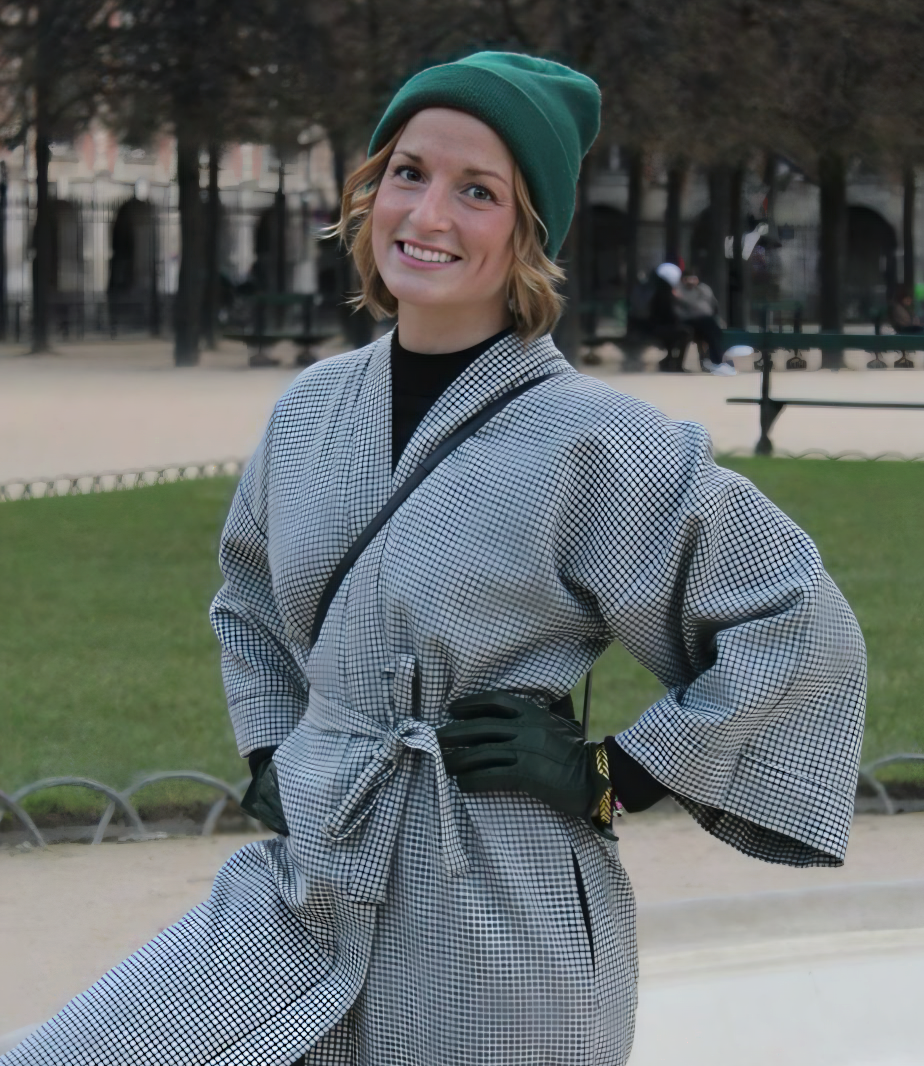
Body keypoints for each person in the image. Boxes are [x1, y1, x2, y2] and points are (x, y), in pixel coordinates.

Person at [2, 53, 866, 1066]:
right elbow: (246, 599)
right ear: (371, 190)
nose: (429, 213)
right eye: (408, 172)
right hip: (312, 880)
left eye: (477, 191)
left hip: (499, 909)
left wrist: (616, 773)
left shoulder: (597, 440)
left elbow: (790, 612)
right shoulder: (311, 410)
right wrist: (276, 747)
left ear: (526, 231)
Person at [674, 271, 737, 376]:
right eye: (688, 279)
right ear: (683, 280)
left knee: (716, 329)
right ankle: (718, 362)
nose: (691, 281)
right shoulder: (678, 290)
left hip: (705, 321)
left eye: (694, 278)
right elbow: (684, 311)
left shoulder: (703, 289)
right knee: (711, 327)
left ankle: (718, 361)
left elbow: (710, 306)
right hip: (688, 321)